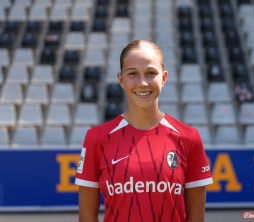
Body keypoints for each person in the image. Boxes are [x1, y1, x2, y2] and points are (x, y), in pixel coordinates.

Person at [75, 39, 213, 222]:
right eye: (133, 74)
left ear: (163, 78)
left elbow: (196, 219)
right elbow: (86, 219)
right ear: (121, 80)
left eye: (150, 73)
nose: (142, 83)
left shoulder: (189, 138)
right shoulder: (96, 138)